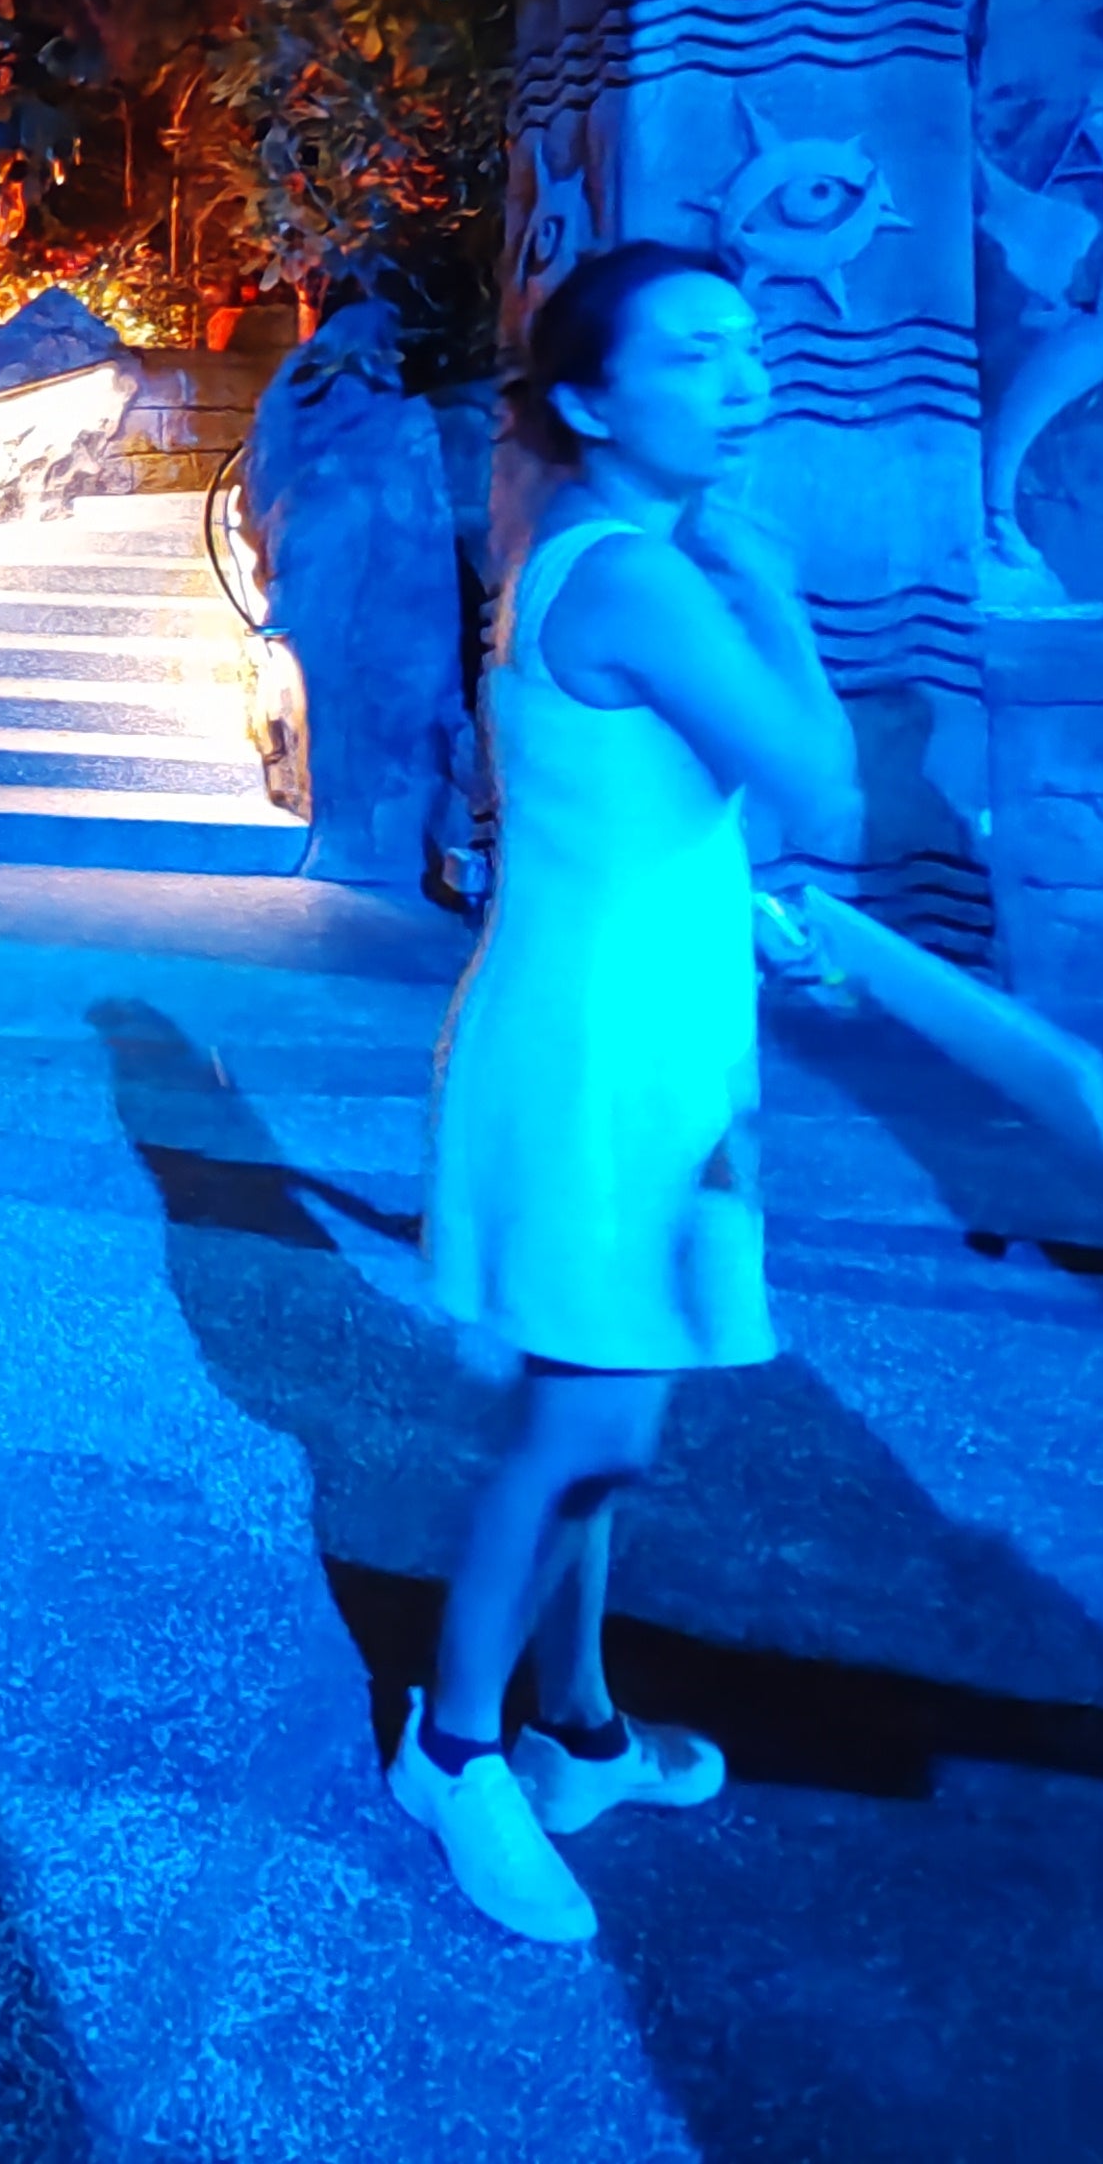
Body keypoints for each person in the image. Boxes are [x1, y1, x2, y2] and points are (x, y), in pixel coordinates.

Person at [395, 244, 864, 1945]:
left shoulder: (593, 549)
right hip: (601, 1058)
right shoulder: (648, 576)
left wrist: (739, 915)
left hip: (634, 1026)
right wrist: (781, 598)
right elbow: (827, 786)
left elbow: (618, 806)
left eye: (748, 345)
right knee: (588, 1422)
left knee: (608, 1397)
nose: (741, 379)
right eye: (691, 355)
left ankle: (577, 1725)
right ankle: (455, 1753)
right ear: (592, 403)